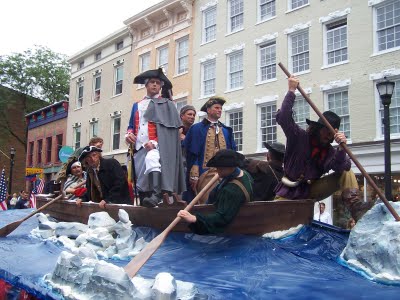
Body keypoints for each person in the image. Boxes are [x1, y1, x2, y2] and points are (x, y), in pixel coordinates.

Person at [275, 76, 373, 222]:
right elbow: (284, 118)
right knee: (272, 217)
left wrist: (341, 150)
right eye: (326, 131)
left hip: (311, 191)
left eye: (332, 133)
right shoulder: (299, 136)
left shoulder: (329, 152)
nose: (329, 136)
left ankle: (356, 209)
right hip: (289, 191)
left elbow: (342, 166)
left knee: (347, 172)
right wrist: (291, 91)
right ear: (318, 128)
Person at [125, 68, 185, 207]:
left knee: (152, 159)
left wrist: (155, 142)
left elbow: (169, 131)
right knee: (142, 182)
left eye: (158, 83)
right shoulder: (137, 105)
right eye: (152, 82)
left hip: (158, 147)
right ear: (146, 85)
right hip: (139, 148)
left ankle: (157, 195)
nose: (155, 85)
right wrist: (128, 135)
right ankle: (145, 208)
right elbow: (131, 126)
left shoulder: (167, 104)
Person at [178, 149, 253, 235]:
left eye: (220, 168)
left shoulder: (232, 191)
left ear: (231, 168)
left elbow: (221, 219)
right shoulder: (244, 174)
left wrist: (194, 219)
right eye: (217, 167)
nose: (217, 171)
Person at [183, 96, 236, 203]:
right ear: (208, 110)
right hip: (205, 173)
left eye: (220, 108)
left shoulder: (226, 130)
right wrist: (194, 171)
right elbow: (192, 153)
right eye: (216, 107)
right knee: (206, 202)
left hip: (225, 174)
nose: (219, 110)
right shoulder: (196, 128)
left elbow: (232, 153)